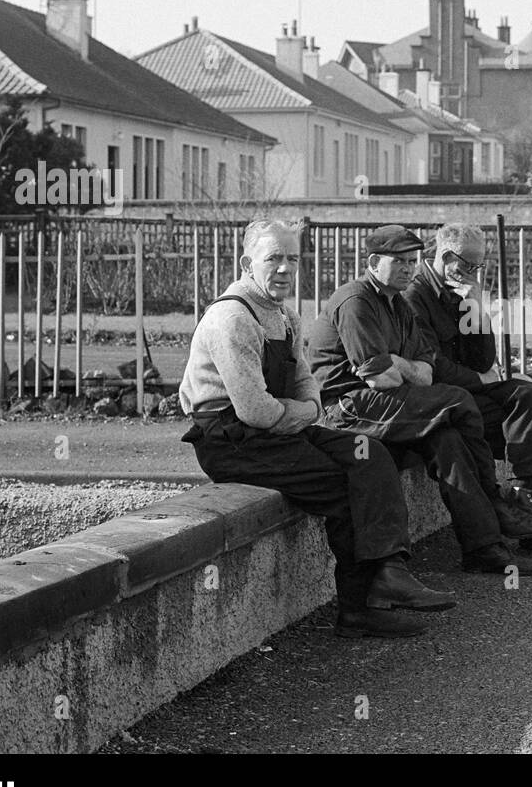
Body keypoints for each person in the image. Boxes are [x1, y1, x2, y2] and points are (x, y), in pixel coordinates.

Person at [179, 219, 456, 639]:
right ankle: (357, 610)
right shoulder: (232, 318)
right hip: (232, 441)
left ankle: (391, 573)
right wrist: (301, 411)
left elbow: (309, 387)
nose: (286, 269)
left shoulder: (286, 317)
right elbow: (254, 410)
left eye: (293, 259)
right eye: (274, 259)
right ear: (246, 263)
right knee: (342, 487)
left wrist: (300, 411)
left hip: (278, 429)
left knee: (369, 453)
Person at [307, 224, 532, 576]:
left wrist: (398, 362)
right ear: (374, 262)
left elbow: (425, 372)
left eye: (413, 261)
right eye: (400, 261)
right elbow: (380, 377)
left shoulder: (396, 303)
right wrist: (400, 366)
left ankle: (483, 548)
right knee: (457, 400)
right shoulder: (356, 300)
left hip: (387, 403)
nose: (409, 268)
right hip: (347, 409)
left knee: (448, 439)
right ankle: (495, 499)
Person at [401, 223, 532, 552]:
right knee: (523, 403)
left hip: (466, 392)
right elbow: (434, 366)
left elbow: (482, 358)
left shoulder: (461, 292)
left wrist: (477, 309)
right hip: (440, 400)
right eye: (471, 265)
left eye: (481, 265)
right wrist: (482, 380)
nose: (476, 273)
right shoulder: (415, 295)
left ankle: (528, 500)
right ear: (448, 258)